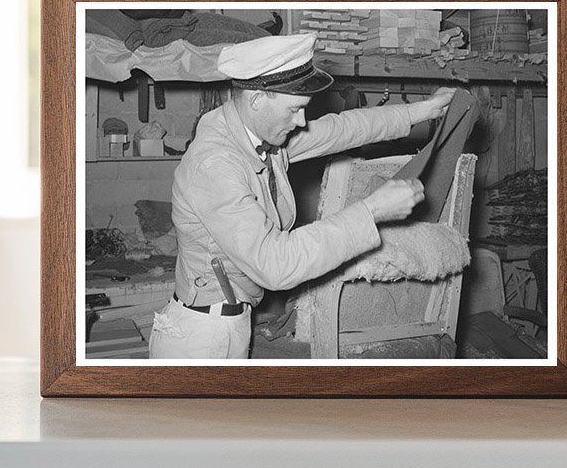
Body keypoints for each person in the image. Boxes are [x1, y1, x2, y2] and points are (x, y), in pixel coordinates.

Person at [148, 33, 454, 359]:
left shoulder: (256, 135)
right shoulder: (216, 165)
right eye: (294, 109)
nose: (301, 121)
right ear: (256, 99)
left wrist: (425, 109)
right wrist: (371, 212)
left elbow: (342, 129)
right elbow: (275, 264)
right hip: (200, 337)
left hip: (231, 322)